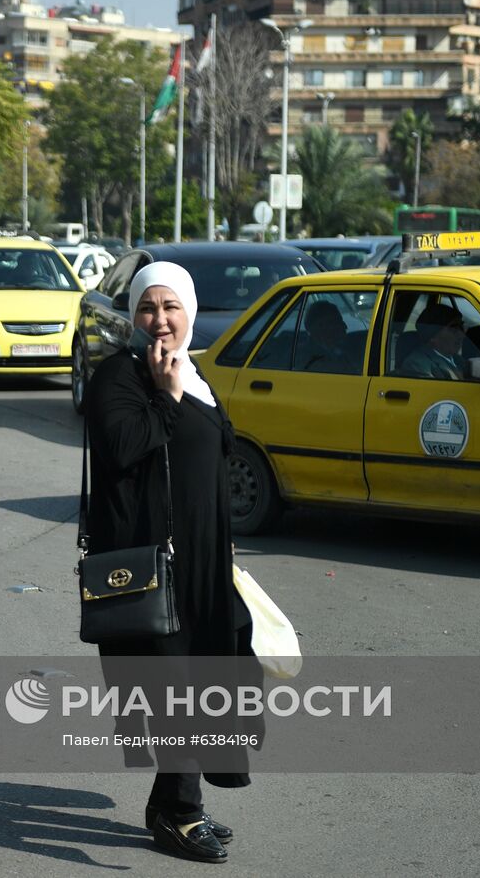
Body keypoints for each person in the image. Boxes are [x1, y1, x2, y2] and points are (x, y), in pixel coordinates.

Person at [84, 262, 260, 865]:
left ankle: (169, 802)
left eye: (171, 307)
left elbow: (221, 442)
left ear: (189, 311)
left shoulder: (193, 371)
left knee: (219, 672)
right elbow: (124, 446)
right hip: (151, 566)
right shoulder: (119, 376)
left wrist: (181, 387)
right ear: (132, 316)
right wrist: (166, 395)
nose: (160, 320)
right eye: (147, 308)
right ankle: (180, 813)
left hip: (205, 558)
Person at [397, 303, 465, 380]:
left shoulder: (459, 360)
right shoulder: (417, 364)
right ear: (432, 336)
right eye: (454, 329)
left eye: (461, 327)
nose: (461, 335)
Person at [300, 301, 359, 373]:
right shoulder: (307, 358)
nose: (345, 326)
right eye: (337, 322)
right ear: (319, 327)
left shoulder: (342, 348)